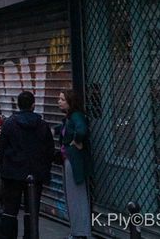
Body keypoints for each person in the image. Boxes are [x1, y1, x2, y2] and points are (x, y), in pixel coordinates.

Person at [0, 91, 55, 239]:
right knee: (32, 210)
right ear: (33, 105)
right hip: (35, 173)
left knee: (10, 211)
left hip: (12, 173)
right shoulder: (42, 125)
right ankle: (31, 236)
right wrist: (44, 169)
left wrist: (2, 168)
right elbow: (49, 150)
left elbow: (2, 148)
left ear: (18, 105)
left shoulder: (9, 124)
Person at [57, 90, 91, 239]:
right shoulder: (69, 118)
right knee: (73, 196)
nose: (59, 101)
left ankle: (80, 232)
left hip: (74, 161)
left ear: (70, 102)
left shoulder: (76, 116)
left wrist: (76, 142)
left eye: (62, 99)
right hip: (69, 160)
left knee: (76, 195)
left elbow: (82, 130)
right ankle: (77, 230)